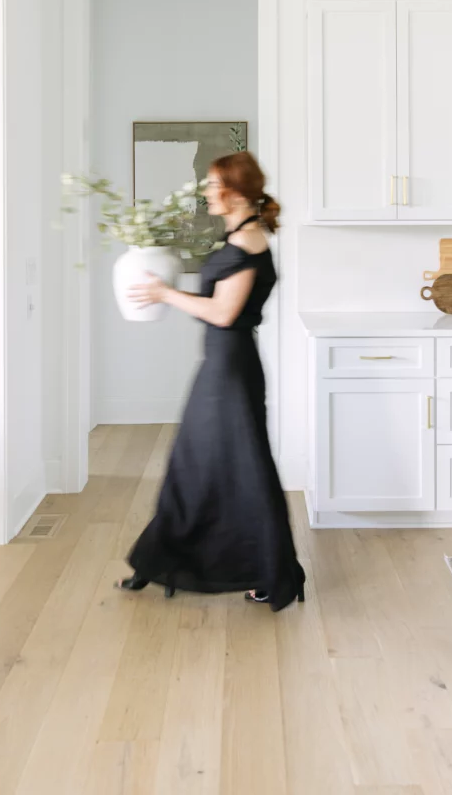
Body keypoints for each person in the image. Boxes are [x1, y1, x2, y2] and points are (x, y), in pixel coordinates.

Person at [116, 151, 305, 611]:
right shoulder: (241, 236)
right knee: (197, 463)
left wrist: (164, 293)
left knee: (238, 469)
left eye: (211, 184)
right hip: (224, 365)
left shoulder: (249, 242)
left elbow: (223, 313)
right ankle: (164, 560)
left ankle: (273, 573)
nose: (204, 191)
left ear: (235, 192)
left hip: (230, 369)